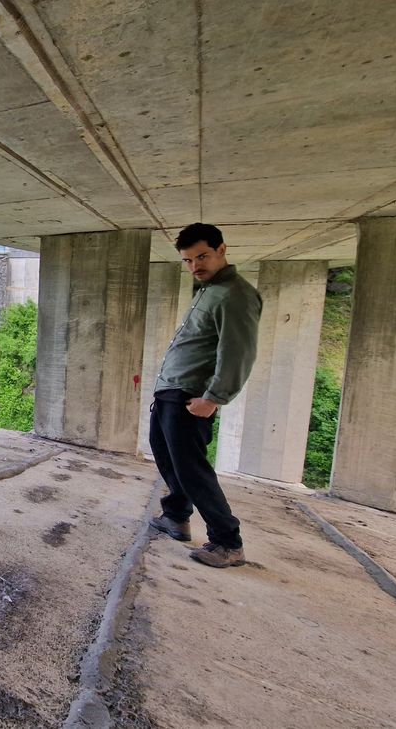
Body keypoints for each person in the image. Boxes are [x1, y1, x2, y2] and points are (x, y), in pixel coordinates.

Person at [149, 222, 262, 568]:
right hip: (171, 391)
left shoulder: (235, 295)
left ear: (222, 250)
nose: (195, 266)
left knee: (192, 468)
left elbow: (238, 353)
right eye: (188, 260)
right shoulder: (208, 290)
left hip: (191, 396)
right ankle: (176, 516)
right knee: (168, 458)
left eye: (202, 256)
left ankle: (228, 542)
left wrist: (213, 398)